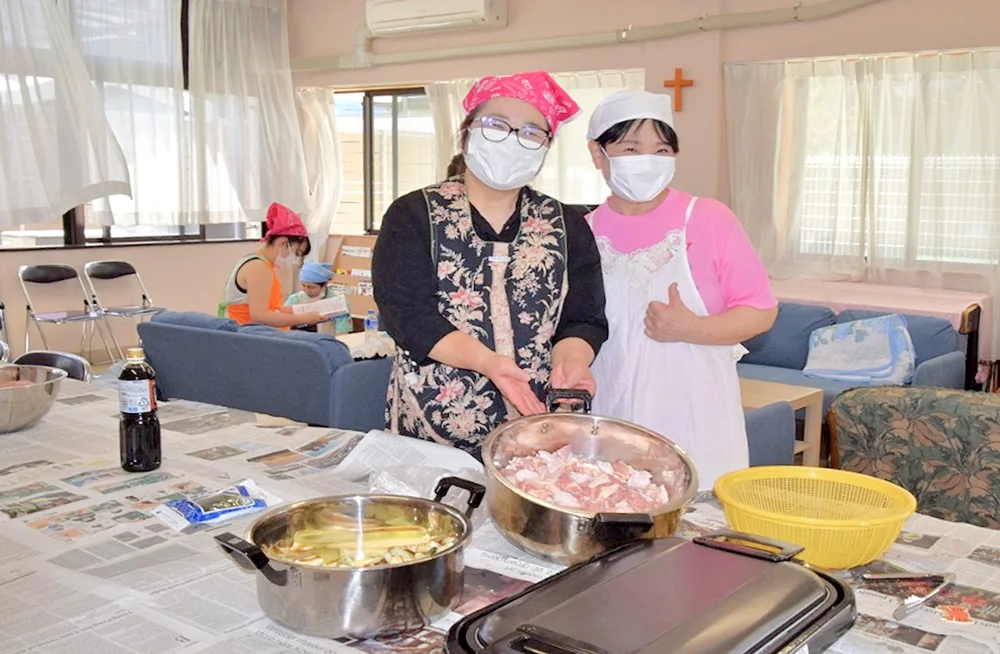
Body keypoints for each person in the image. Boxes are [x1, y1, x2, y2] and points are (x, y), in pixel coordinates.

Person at [372, 71, 609, 458]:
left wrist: (572, 363)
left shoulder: (567, 224)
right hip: (430, 430)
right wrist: (487, 362)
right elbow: (407, 315)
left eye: (531, 132)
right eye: (497, 125)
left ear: (546, 147)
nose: (513, 140)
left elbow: (584, 317)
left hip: (535, 429)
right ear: (466, 133)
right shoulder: (414, 214)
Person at [584, 90, 778, 490]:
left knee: (694, 514)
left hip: (693, 412)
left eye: (661, 149)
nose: (648, 159)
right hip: (610, 410)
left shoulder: (708, 218)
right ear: (598, 153)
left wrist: (691, 328)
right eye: (631, 148)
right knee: (611, 505)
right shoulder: (582, 232)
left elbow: (761, 311)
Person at [222, 203, 324, 329]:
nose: (295, 259)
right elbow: (260, 316)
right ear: (283, 243)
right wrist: (304, 319)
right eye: (296, 253)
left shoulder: (260, 264)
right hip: (250, 335)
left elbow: (273, 310)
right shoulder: (258, 267)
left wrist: (306, 308)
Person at [285, 261, 352, 334]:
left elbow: (342, 333)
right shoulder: (294, 299)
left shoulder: (339, 303)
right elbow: (282, 323)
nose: (306, 290)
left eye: (311, 287)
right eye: (303, 285)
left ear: (324, 284)